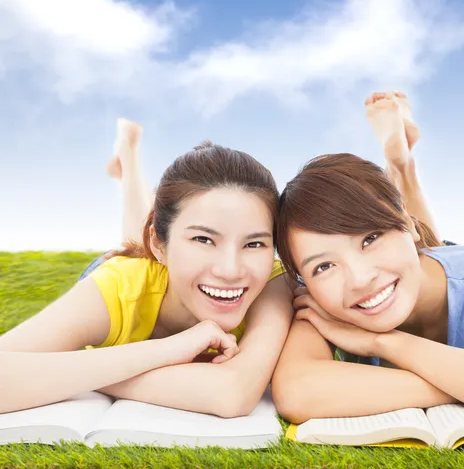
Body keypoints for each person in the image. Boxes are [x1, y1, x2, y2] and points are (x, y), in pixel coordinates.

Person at [271, 92, 464, 431]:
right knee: (413, 256)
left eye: (370, 238)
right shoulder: (317, 295)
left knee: (424, 251)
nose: (358, 279)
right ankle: (399, 166)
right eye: (323, 266)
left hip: (443, 264)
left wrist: (383, 342)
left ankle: (401, 167)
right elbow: (298, 392)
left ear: (408, 222)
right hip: (414, 262)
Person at [0, 119, 293, 416]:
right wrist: (169, 349)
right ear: (160, 245)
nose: (231, 270)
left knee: (147, 236)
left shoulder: (273, 282)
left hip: (158, 258)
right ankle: (129, 164)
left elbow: (231, 395)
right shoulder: (116, 288)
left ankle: (128, 164)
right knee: (135, 248)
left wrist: (97, 372)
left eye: (254, 244)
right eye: (203, 239)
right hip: (134, 269)